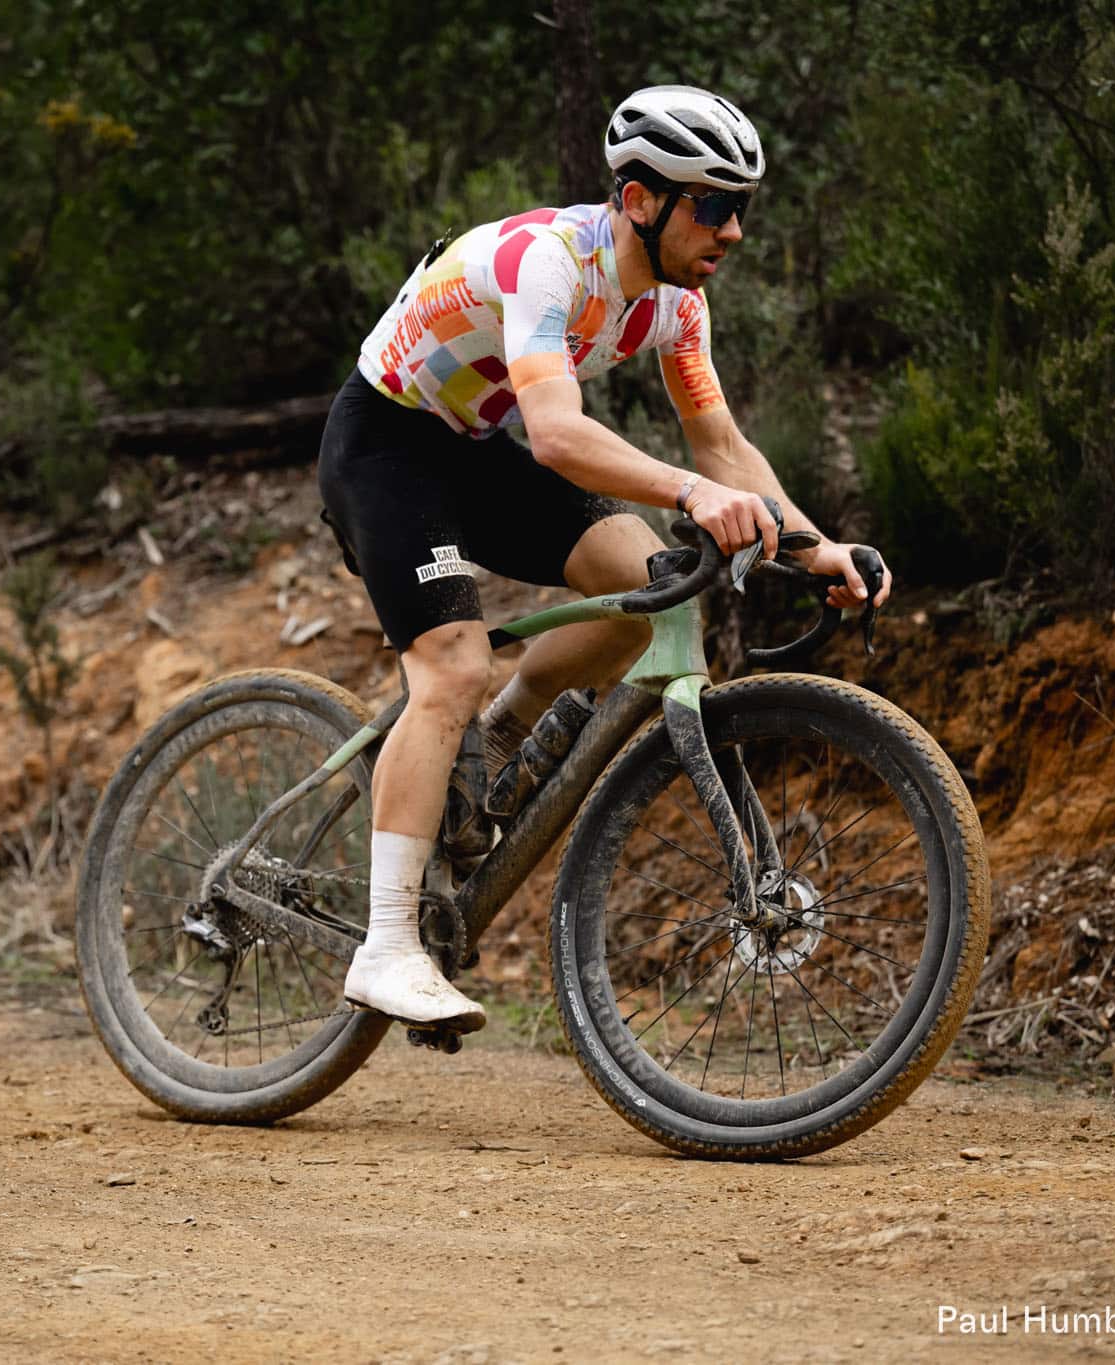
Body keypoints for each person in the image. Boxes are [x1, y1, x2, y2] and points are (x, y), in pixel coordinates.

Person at [317, 85, 892, 1033]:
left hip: (472, 443)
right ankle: (384, 943)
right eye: (713, 206)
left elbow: (723, 448)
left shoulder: (677, 304)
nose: (735, 230)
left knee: (653, 584)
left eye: (741, 206)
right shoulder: (550, 264)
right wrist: (694, 495)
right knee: (452, 664)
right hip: (386, 441)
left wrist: (816, 545)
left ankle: (498, 744)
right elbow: (556, 435)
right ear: (639, 202)